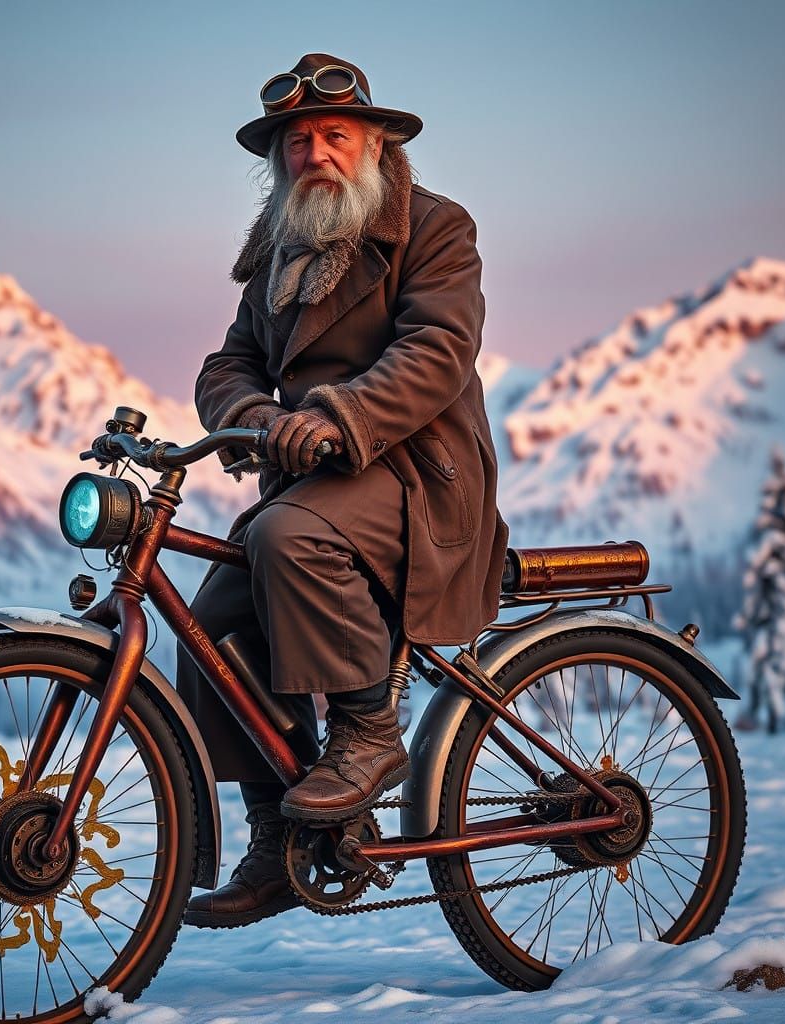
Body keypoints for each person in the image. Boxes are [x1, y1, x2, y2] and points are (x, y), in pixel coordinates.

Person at [178, 53, 508, 928]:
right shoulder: (279, 254)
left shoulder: (435, 228)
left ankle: (366, 735)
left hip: (416, 475)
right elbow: (230, 361)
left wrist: (333, 415)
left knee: (287, 539)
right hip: (315, 484)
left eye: (334, 134)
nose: (315, 153)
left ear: (375, 144)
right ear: (279, 160)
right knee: (208, 621)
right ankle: (274, 834)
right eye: (297, 142)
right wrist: (247, 409)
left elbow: (438, 351)